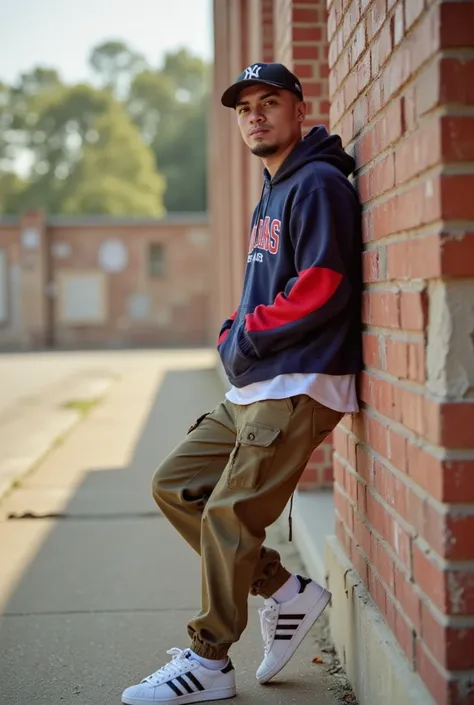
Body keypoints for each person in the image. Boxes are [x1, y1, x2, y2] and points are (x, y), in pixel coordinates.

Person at [122, 62, 362, 705]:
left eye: (270, 101)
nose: (255, 114)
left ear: (298, 110)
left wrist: (246, 334)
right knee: (177, 485)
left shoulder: (316, 185)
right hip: (259, 384)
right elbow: (268, 283)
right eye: (244, 106)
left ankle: (209, 662)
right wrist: (236, 327)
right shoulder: (274, 186)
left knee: (229, 512)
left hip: (299, 380)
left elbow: (323, 286)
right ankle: (285, 593)